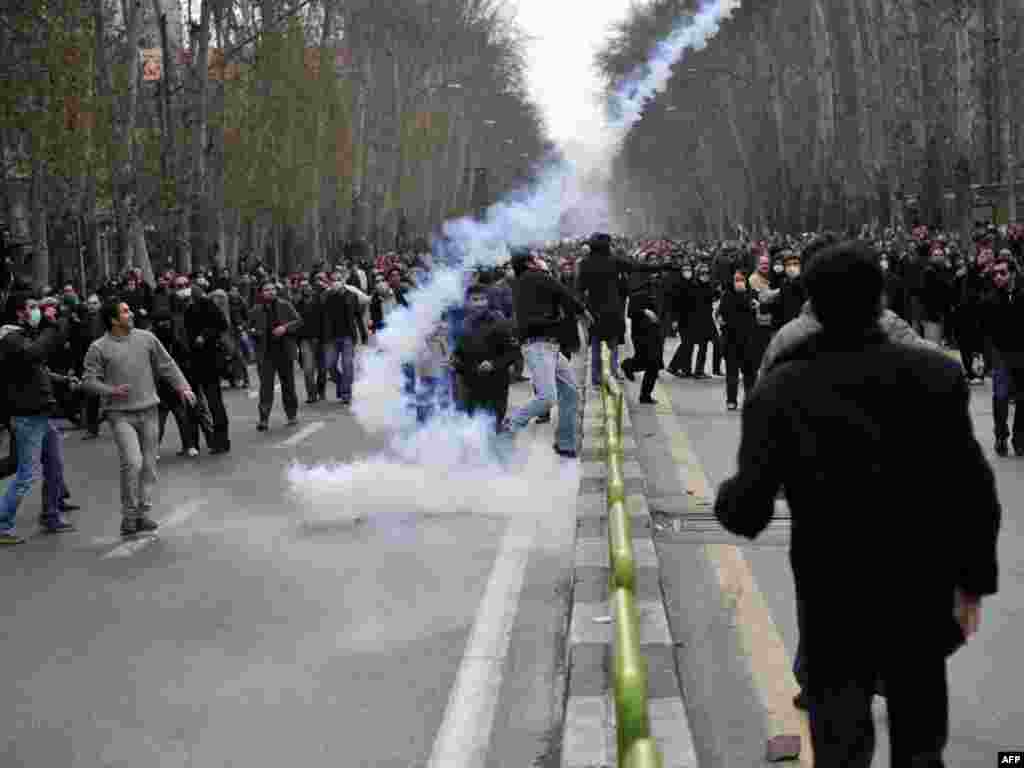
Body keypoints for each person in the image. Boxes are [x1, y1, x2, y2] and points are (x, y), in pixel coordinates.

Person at [715, 240, 1001, 768]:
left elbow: (747, 509)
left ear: (812, 302)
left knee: (841, 742)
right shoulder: (934, 377)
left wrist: (732, 497)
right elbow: (974, 489)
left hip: (831, 591)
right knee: (920, 743)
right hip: (919, 581)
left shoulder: (784, 389)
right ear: (881, 299)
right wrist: (974, 582)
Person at [82, 300, 196, 537]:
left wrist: (183, 387)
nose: (131, 313)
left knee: (149, 466)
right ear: (114, 320)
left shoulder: (146, 338)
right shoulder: (98, 347)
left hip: (149, 411)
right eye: (125, 311)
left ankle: (142, 514)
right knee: (132, 462)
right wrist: (111, 391)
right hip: (119, 414)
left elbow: (167, 365)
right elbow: (89, 382)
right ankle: (129, 516)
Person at [0, 292, 75, 543]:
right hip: (26, 416)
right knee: (25, 474)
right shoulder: (9, 338)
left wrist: (64, 380)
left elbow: (38, 367)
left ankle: (51, 514)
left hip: (40, 413)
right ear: (19, 312)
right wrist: (50, 327)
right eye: (32, 307)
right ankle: (2, 524)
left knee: (54, 465)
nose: (37, 311)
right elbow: (33, 354)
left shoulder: (23, 337)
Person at [504, 248, 592, 459]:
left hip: (549, 346)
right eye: (536, 259)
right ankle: (510, 424)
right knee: (547, 397)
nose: (540, 261)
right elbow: (563, 293)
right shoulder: (536, 277)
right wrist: (583, 311)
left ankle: (566, 444)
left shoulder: (524, 281)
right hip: (539, 346)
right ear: (530, 263)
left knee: (571, 392)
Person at [452, 284, 519, 432]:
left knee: (491, 429)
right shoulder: (463, 325)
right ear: (467, 302)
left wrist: (493, 364)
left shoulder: (499, 322)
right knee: (474, 431)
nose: (479, 303)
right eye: (475, 299)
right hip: (472, 387)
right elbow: (459, 355)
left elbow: (512, 353)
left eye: (483, 299)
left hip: (496, 387)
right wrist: (455, 362)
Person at [248, 281, 302, 430]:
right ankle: (263, 419)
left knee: (288, 385)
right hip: (265, 354)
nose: (270, 292)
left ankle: (291, 415)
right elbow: (249, 328)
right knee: (266, 388)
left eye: (272, 289)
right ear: (261, 293)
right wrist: (255, 332)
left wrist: (284, 327)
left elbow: (298, 321)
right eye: (266, 290)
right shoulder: (255, 310)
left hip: (284, 351)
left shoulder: (285, 305)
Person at [621, 253, 665, 404]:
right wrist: (645, 312)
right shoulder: (639, 288)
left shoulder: (659, 287)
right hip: (641, 332)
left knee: (653, 364)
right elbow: (631, 311)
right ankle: (628, 366)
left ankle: (644, 394)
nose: (655, 276)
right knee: (650, 362)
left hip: (656, 331)